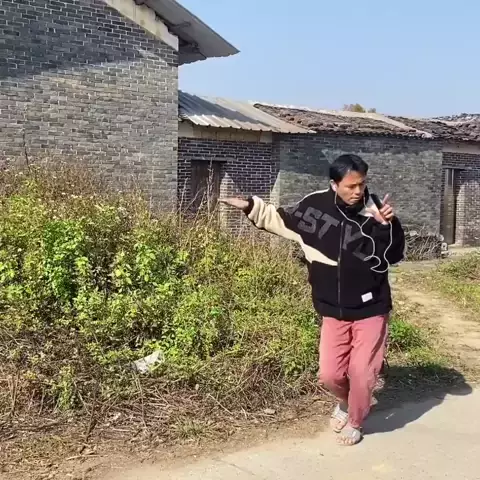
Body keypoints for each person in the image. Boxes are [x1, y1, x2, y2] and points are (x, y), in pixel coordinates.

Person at [221, 154, 405, 446]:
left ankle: (355, 420)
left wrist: (387, 226)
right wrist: (251, 206)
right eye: (351, 186)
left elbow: (393, 256)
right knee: (329, 375)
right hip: (332, 307)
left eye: (362, 184)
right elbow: (282, 220)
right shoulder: (315, 207)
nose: (358, 191)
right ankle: (346, 401)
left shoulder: (375, 210)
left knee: (361, 372)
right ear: (334, 184)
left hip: (372, 306)